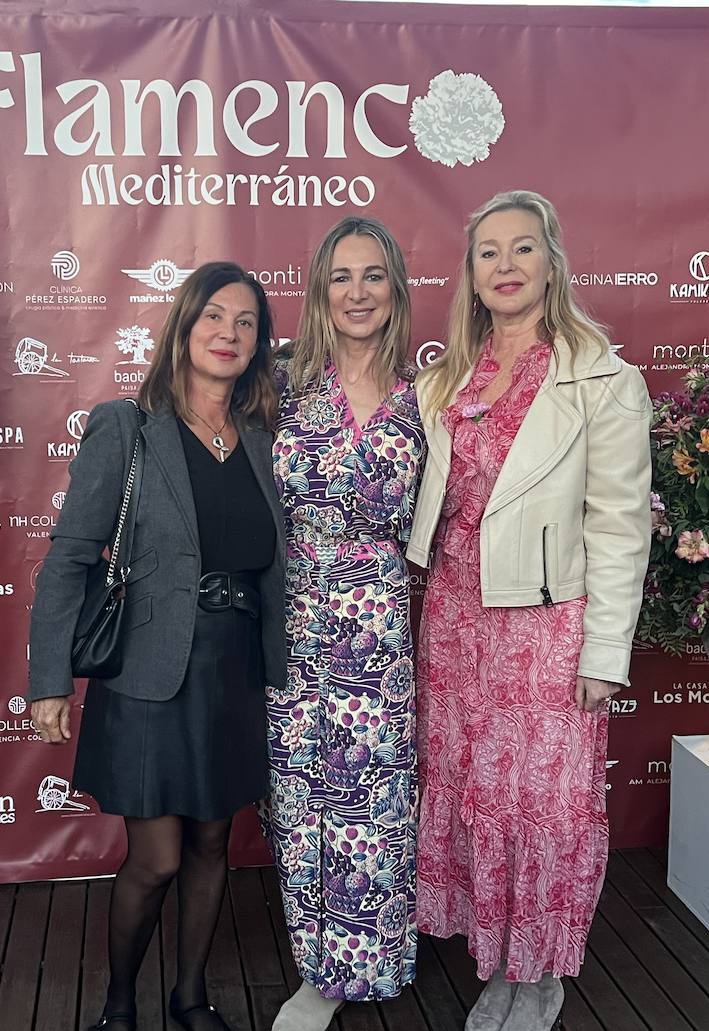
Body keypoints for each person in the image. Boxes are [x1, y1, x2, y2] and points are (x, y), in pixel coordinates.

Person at [408, 191, 651, 1031]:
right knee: (475, 790)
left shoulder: (605, 379)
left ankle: (538, 973)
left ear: (552, 260)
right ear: (471, 274)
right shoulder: (446, 376)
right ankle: (497, 954)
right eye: (487, 253)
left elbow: (619, 524)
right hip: (452, 621)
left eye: (521, 249)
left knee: (542, 801)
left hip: (546, 628)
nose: (504, 266)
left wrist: (604, 651)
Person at [29, 262, 285, 1031]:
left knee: (214, 843)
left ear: (258, 343)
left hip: (234, 669)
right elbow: (69, 558)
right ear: (182, 325)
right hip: (149, 672)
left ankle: (189, 997)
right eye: (213, 316)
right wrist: (50, 681)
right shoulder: (127, 426)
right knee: (159, 857)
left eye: (245, 322)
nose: (228, 334)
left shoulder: (267, 440)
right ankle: (118, 1006)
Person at [266, 216, 426, 1031]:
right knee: (305, 793)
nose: (357, 292)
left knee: (372, 791)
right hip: (293, 612)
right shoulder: (282, 384)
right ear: (320, 291)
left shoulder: (425, 392)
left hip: (381, 614)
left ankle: (378, 954)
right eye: (341, 276)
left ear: (395, 287)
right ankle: (319, 972)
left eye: (373, 275)